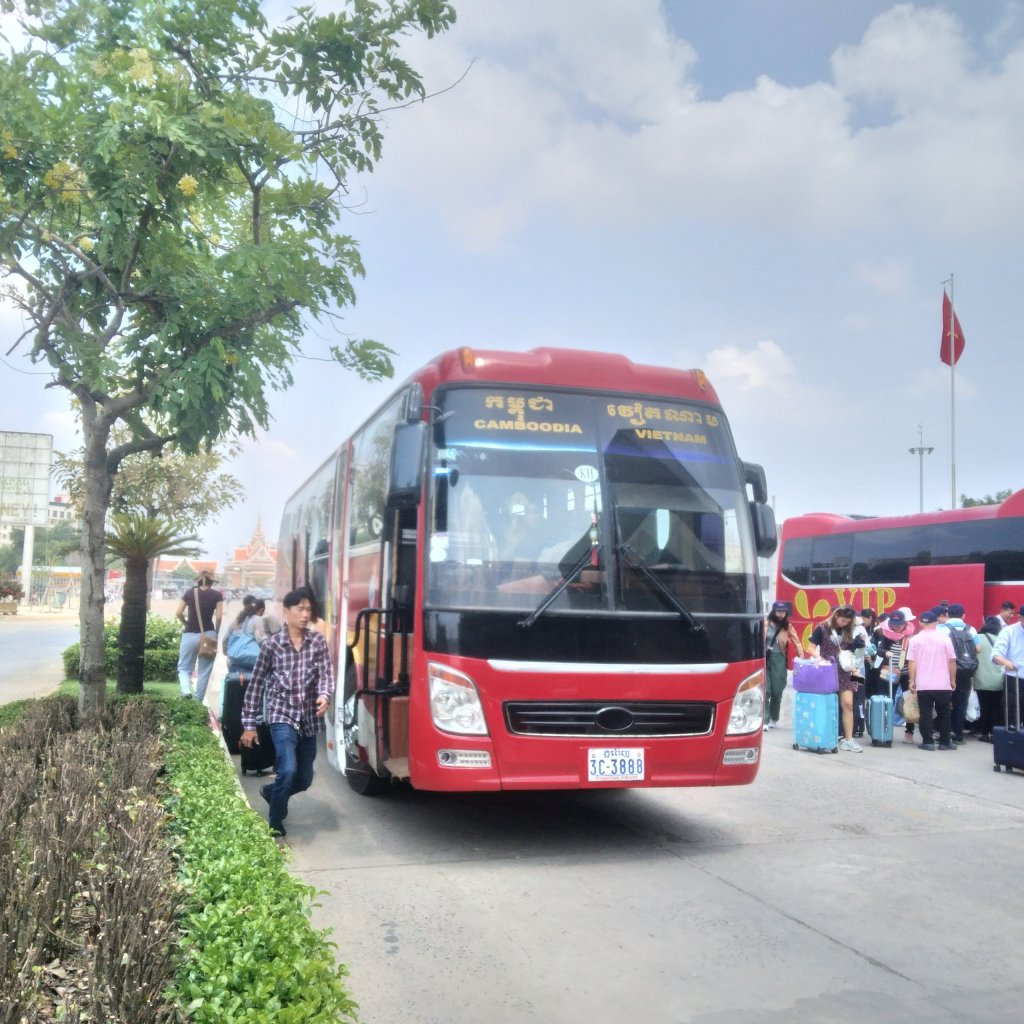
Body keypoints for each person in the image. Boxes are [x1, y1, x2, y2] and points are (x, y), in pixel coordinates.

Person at [240, 586, 334, 839]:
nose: (305, 614)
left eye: (308, 609)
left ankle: (272, 792)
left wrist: (325, 695)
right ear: (286, 611)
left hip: (309, 721)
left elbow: (326, 675)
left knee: (303, 780)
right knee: (288, 770)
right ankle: (275, 821)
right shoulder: (272, 646)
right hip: (282, 717)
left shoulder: (317, 643)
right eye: (299, 609)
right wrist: (249, 725)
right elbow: (256, 684)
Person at [807, 604, 864, 752]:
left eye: (848, 621)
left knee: (848, 704)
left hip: (845, 672)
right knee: (826, 705)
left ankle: (849, 739)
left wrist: (855, 667)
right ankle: (824, 735)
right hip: (826, 671)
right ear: (836, 616)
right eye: (843, 620)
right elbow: (810, 648)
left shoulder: (849, 629)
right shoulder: (822, 627)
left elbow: (854, 652)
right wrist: (820, 659)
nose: (845, 624)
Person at [907, 610, 957, 751]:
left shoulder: (915, 640)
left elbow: (912, 662)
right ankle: (945, 742)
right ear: (936, 622)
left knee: (925, 713)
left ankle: (928, 742)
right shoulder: (945, 639)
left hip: (923, 684)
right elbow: (952, 661)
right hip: (943, 684)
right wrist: (952, 679)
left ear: (921, 623)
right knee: (944, 713)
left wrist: (912, 680)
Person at [175, 571, 223, 702]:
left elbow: (178, 612)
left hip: (189, 634)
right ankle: (197, 702)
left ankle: (185, 691)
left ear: (198, 581)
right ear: (212, 582)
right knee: (204, 671)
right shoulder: (217, 595)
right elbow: (218, 617)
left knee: (184, 668)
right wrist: (216, 632)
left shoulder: (190, 593)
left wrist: (187, 624)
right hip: (208, 635)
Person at [875, 607, 917, 743]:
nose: (897, 627)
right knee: (888, 699)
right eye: (894, 624)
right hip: (890, 673)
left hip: (906, 674)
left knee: (909, 701)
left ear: (905, 623)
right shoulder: (887, 636)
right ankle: (885, 729)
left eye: (899, 624)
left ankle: (909, 731)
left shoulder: (911, 638)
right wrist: (885, 652)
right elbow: (879, 650)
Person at [943, 602, 981, 744]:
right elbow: (978, 649)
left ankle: (946, 734)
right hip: (965, 670)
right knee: (961, 702)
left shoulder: (943, 629)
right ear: (963, 615)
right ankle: (958, 735)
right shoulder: (971, 630)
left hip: (947, 670)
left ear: (947, 615)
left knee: (945, 703)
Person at [764, 600, 803, 730]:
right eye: (778, 611)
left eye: (783, 612)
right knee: (766, 690)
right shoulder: (765, 623)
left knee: (777, 690)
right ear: (774, 611)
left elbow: (797, 642)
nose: (781, 614)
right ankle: (765, 720)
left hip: (779, 659)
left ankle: (774, 717)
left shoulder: (788, 627)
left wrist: (801, 658)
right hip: (765, 659)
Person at [991, 603, 1024, 732]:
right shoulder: (1008, 631)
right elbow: (996, 655)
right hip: (1015, 679)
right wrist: (1006, 662)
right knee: (1014, 713)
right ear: (1020, 617)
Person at [973, 616, 1005, 742]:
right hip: (998, 680)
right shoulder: (1000, 640)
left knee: (984, 707)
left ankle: (984, 733)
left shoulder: (978, 639)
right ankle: (994, 733)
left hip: (981, 679)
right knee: (996, 708)